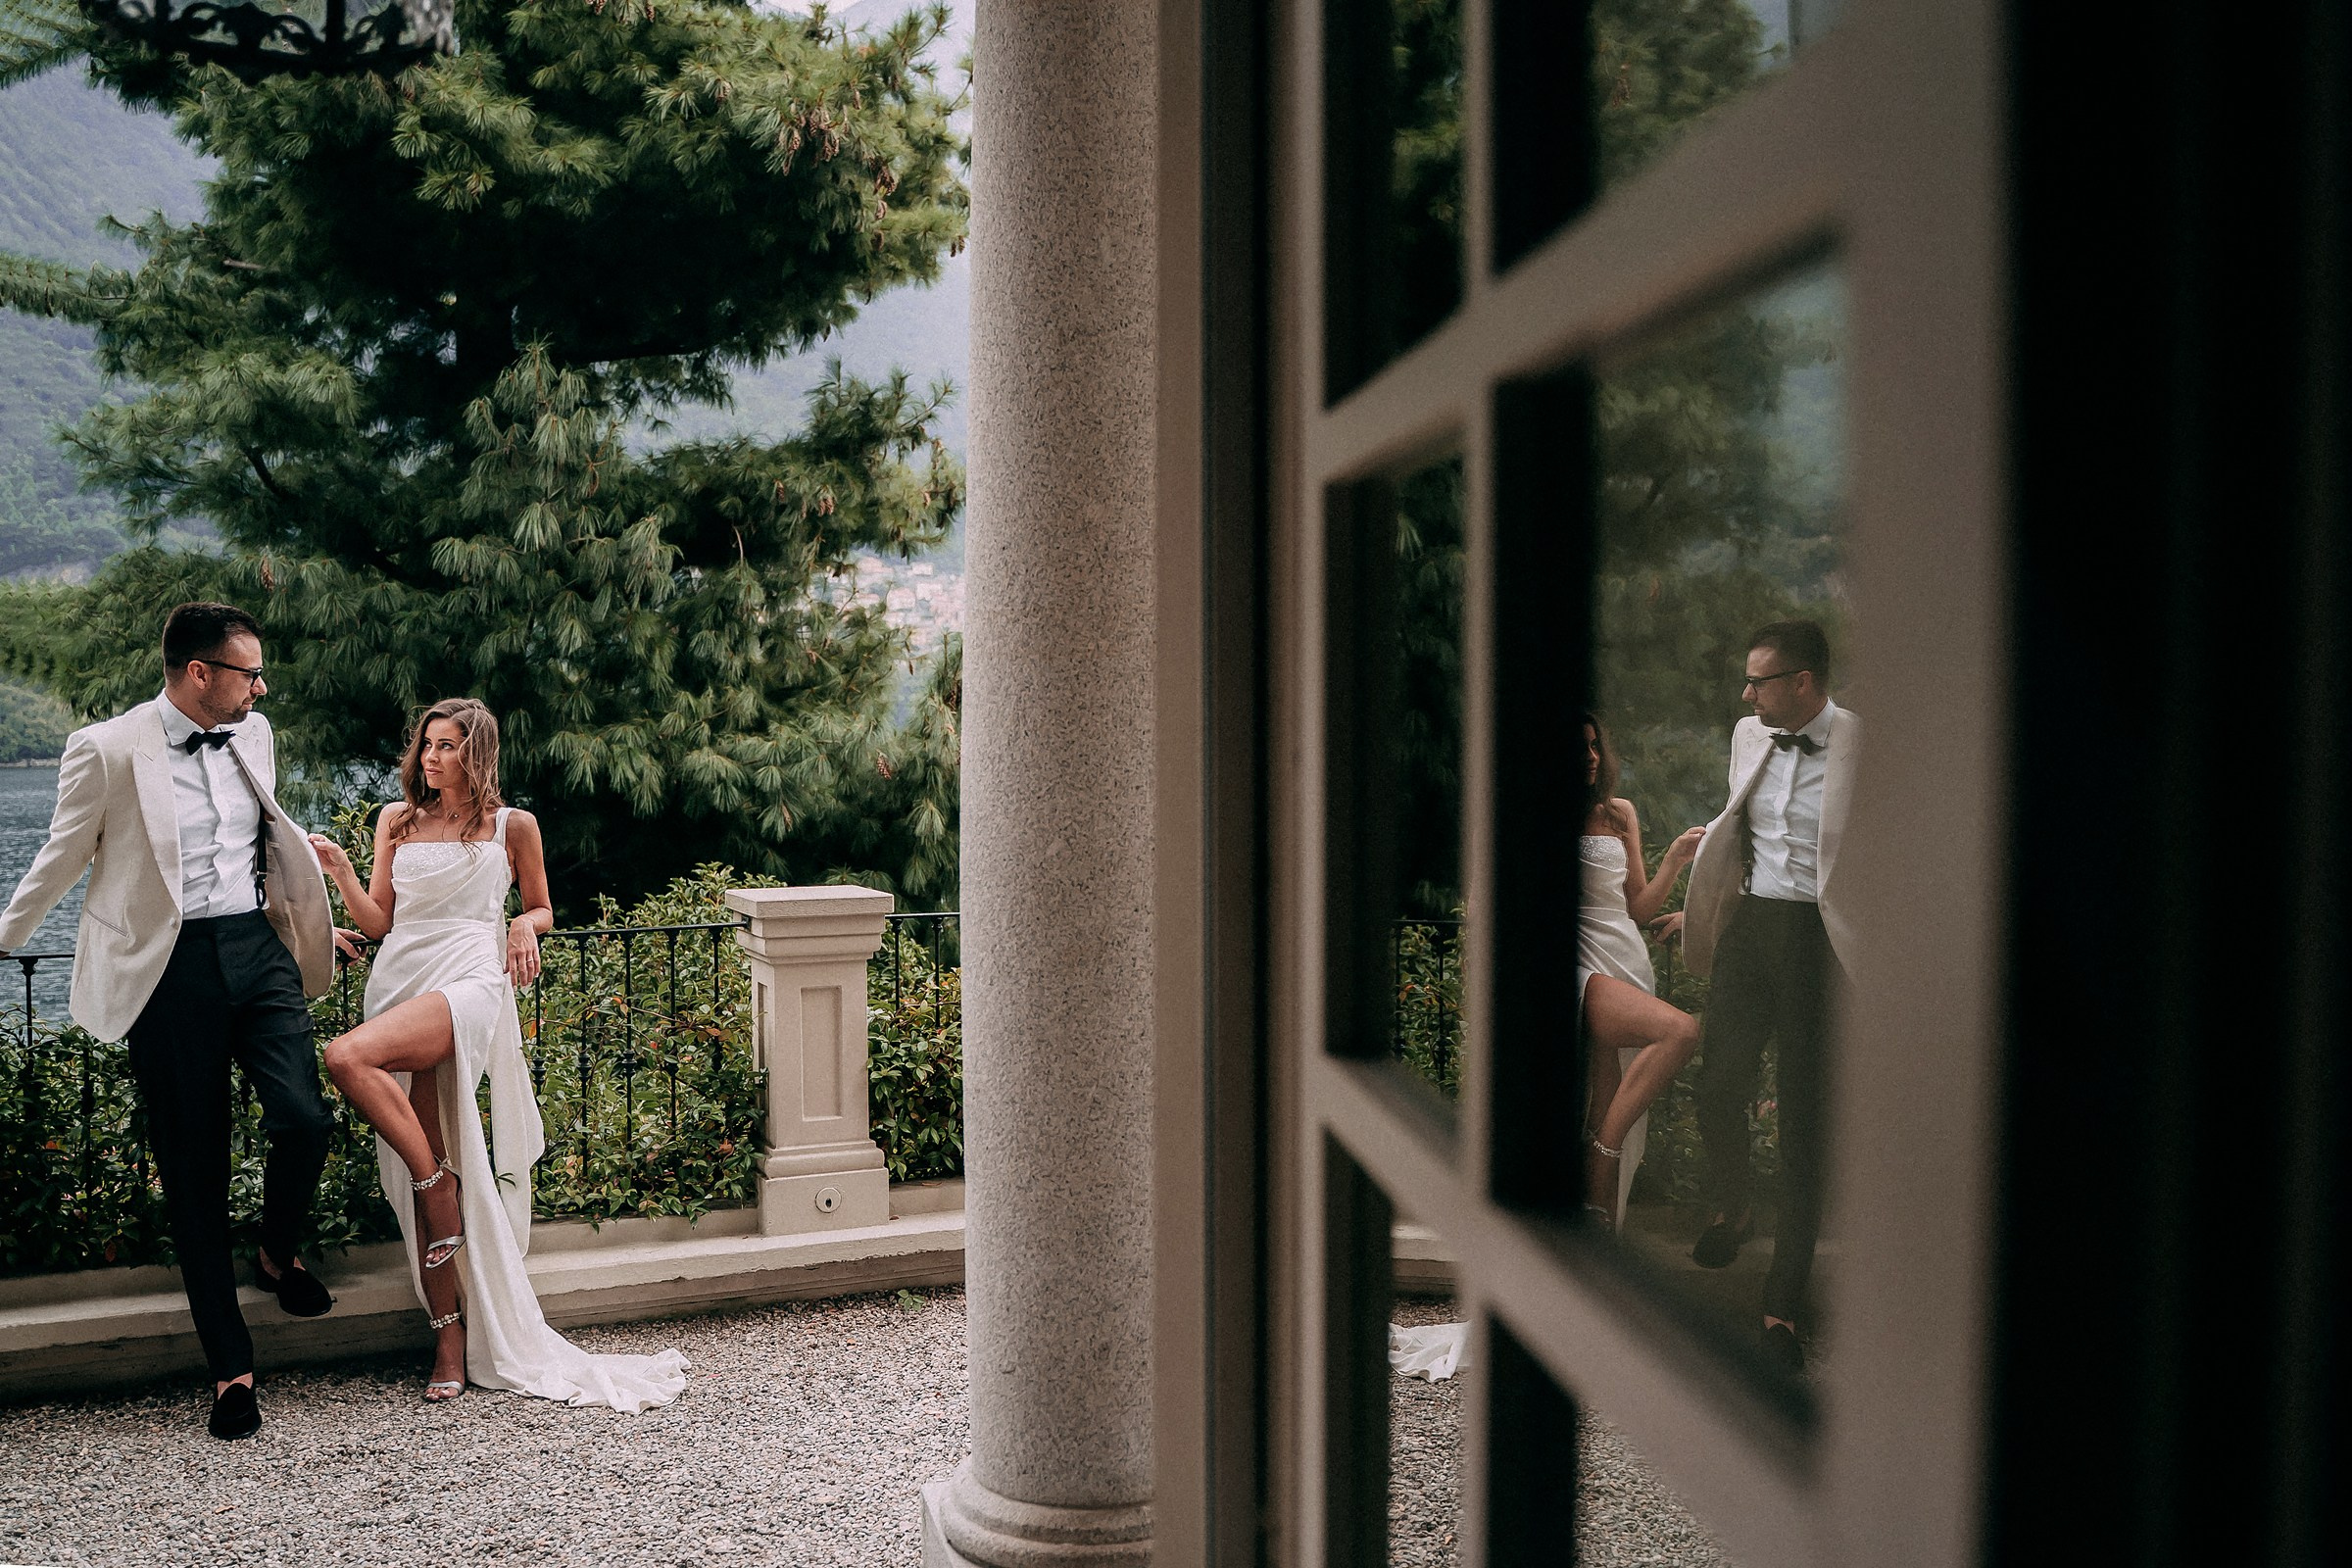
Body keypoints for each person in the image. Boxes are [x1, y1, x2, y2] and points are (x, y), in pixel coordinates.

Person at [0, 602, 345, 1440]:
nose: (261, 688)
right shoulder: (108, 748)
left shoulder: (252, 734)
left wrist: (309, 918)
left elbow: (265, 835)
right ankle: (231, 1370)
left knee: (303, 1117)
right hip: (167, 966)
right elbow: (63, 854)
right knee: (195, 1168)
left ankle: (275, 1249)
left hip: (256, 949)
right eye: (248, 673)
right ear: (200, 674)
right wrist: (5, 936)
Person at [308, 697, 687, 1410]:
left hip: (472, 983)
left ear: (475, 752)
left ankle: (436, 1181)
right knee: (423, 1165)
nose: (430, 757)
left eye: (447, 746)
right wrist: (339, 873)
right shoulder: (395, 820)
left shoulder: (514, 825)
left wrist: (521, 923)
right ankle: (449, 1339)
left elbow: (544, 905)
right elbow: (382, 921)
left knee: (344, 1058)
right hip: (401, 980)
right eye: (426, 744)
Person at [1651, 619, 1859, 1373]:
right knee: (1718, 1087)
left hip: (1819, 946)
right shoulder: (1750, 734)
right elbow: (1737, 832)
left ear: (1803, 681)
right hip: (1750, 931)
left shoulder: (1867, 748)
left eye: (1760, 681)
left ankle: (1781, 1312)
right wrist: (1699, 910)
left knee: (1804, 1123)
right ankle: (1735, 1203)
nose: (1747, 694)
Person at [1575, 713, 1704, 1232]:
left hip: (1623, 957)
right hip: (1578, 959)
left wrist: (1674, 859)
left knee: (1606, 1088)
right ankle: (1600, 1160)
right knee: (1681, 1030)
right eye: (1577, 748)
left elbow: (1640, 910)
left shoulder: (1619, 812)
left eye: (1593, 746)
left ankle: (1595, 1226)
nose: (1590, 757)